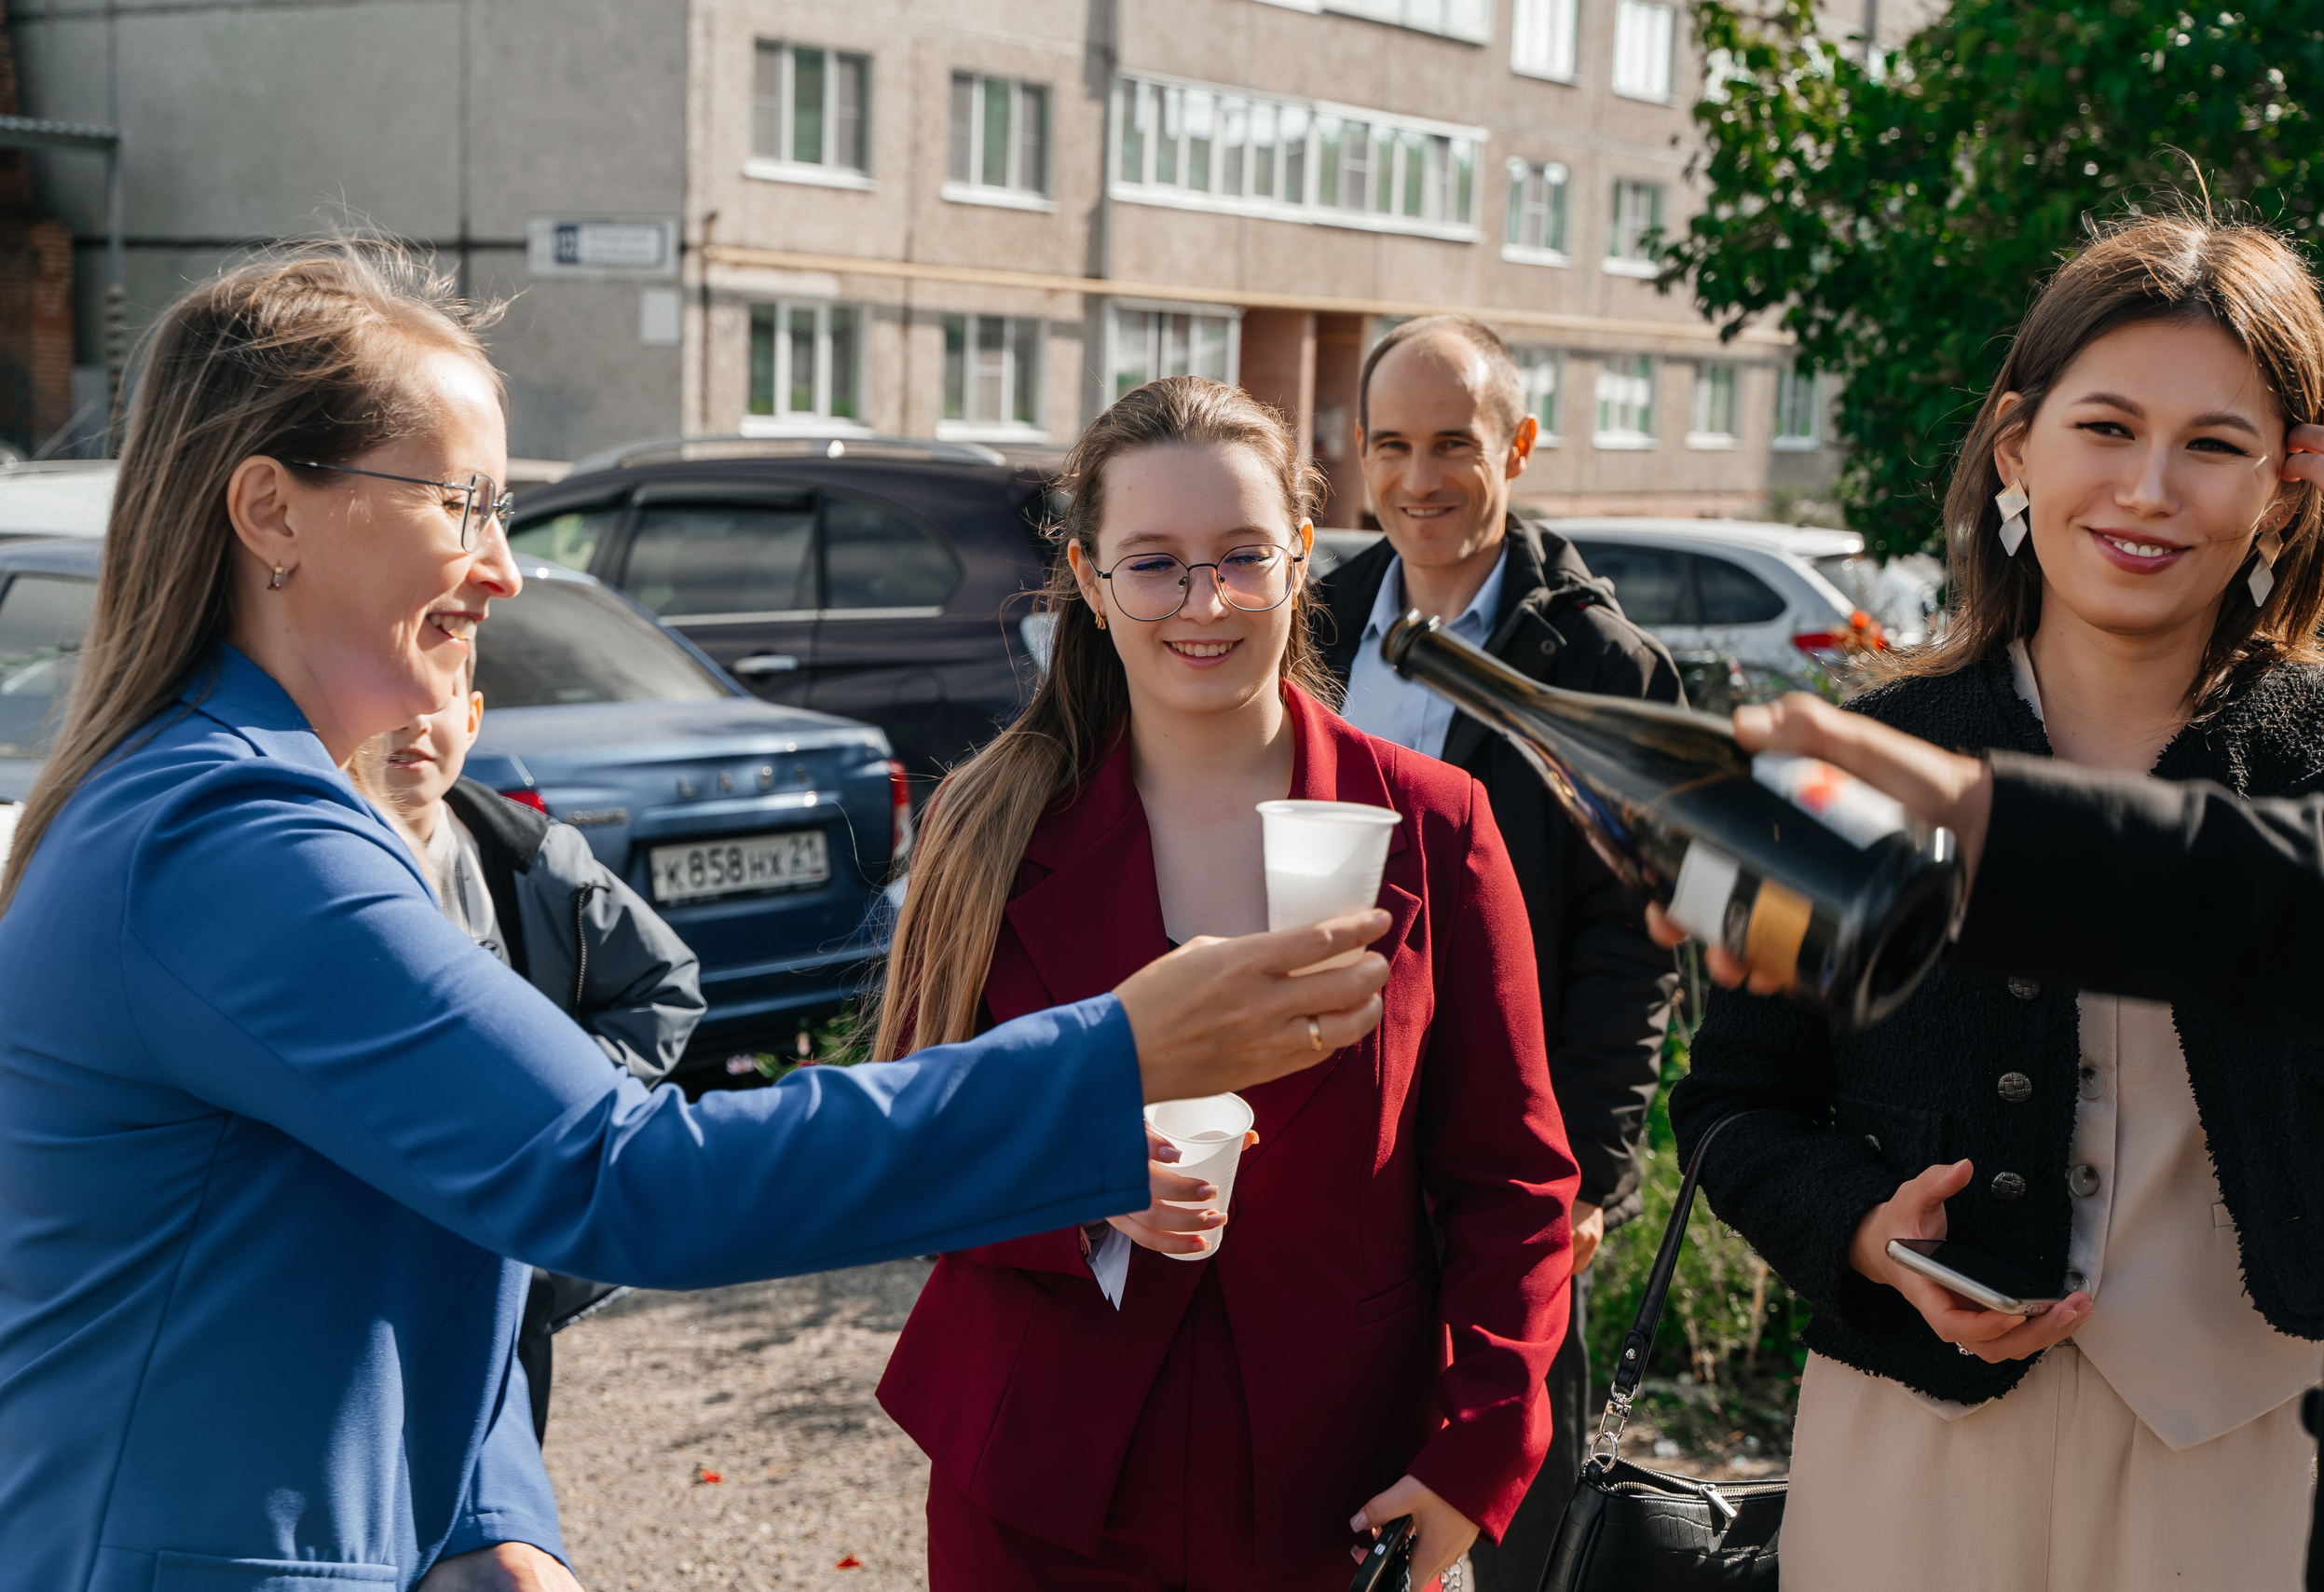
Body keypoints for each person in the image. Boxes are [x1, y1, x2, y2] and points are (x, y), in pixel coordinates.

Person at [0, 241, 1393, 1592]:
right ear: (270, 511)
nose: (504, 569)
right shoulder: (228, 841)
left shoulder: (258, 811)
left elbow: (448, 1208)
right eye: (463, 503)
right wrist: (1109, 1058)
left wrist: (488, 1514)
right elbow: (622, 1176)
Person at [1662, 214, 2324, 1592]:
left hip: (2254, 1467)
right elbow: (1734, 1104)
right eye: (2105, 427)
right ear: (2016, 449)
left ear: (2290, 496)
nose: (2149, 489)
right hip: (1912, 1460)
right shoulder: (1871, 755)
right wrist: (1865, 1234)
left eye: (2215, 444)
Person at [870, 377, 1579, 1590]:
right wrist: (1081, 1185)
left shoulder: (1435, 824)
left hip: (1329, 1490)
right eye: (1155, 564)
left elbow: (1511, 1182)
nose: (1206, 602)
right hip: (1040, 1487)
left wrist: (1480, 1450)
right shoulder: (988, 824)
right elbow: (906, 1140)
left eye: (1243, 556)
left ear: (1301, 557)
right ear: (1090, 580)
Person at [1311, 314, 1681, 1587]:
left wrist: (1588, 1178)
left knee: (1522, 1512)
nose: (1418, 479)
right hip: (1334, 1134)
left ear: (1517, 447)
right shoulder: (1312, 628)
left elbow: (1633, 947)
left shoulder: (1600, 664)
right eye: (1392, 445)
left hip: (1505, 1151)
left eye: (1453, 444)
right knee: (1321, 1489)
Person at [356, 658, 705, 1444]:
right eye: (388, 691)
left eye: (439, 695)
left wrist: (560, 1098)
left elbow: (662, 986)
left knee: (499, 1448)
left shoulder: (536, 858)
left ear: (473, 717)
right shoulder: (311, 867)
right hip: (372, 1243)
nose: (413, 719)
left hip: (510, 1244)